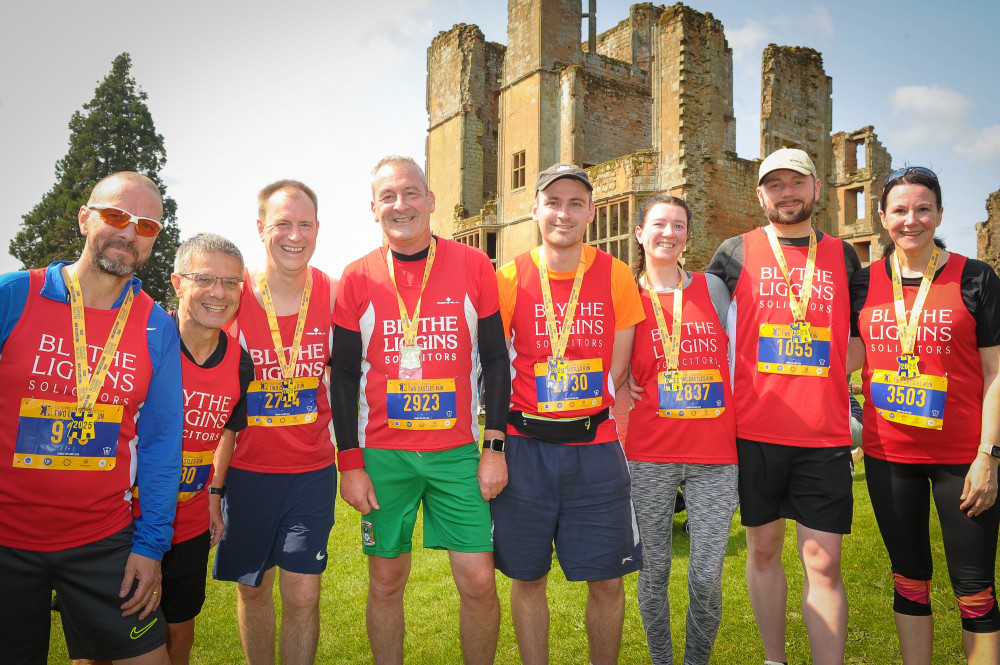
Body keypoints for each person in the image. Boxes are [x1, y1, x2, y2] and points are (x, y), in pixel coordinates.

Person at [331, 155, 509, 664]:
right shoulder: (357, 276)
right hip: (383, 456)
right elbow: (342, 376)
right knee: (386, 579)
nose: (400, 204)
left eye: (411, 193)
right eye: (388, 196)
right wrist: (350, 463)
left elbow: (496, 360)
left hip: (455, 453)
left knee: (478, 579)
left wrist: (493, 446)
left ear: (430, 201)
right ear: (373, 208)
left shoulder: (474, 264)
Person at [0, 172, 182, 664]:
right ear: (85, 219)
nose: (129, 232)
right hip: (6, 540)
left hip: (104, 542)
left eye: (145, 225)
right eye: (117, 216)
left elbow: (164, 443)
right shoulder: (13, 295)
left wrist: (151, 546)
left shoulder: (155, 326)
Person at [706, 148, 861, 665]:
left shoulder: (844, 256)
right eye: (775, 185)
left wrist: (825, 373)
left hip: (824, 434)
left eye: (797, 182)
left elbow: (861, 337)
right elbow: (701, 332)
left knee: (823, 561)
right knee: (764, 550)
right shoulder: (733, 251)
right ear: (760, 195)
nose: (787, 192)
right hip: (754, 432)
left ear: (817, 188)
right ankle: (775, 660)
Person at [75, 235, 254, 665]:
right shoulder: (142, 341)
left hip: (188, 524)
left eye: (230, 282)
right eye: (205, 278)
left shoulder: (240, 361)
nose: (219, 292)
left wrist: (214, 496)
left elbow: (227, 428)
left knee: (178, 634)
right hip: (120, 523)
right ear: (177, 282)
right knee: (100, 641)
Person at [492, 163, 644, 665]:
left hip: (595, 450)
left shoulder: (616, 274)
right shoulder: (509, 277)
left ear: (591, 213)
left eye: (575, 202)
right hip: (526, 449)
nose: (564, 212)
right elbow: (495, 366)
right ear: (534, 210)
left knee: (606, 580)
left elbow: (618, 366)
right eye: (553, 202)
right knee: (527, 576)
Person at [848, 166, 1000, 664]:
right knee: (909, 578)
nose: (910, 220)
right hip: (889, 455)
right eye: (899, 210)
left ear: (938, 213)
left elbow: (996, 373)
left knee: (974, 586)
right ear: (881, 217)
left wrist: (989, 456)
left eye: (922, 209)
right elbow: (843, 359)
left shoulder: (976, 277)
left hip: (963, 457)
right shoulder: (864, 282)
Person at [212, 180, 338, 665]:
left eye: (304, 224)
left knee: (304, 595)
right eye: (282, 223)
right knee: (254, 590)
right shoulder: (231, 295)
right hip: (248, 475)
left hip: (311, 473)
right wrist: (214, 488)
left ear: (317, 230)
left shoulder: (333, 291)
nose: (294, 235)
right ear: (260, 228)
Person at [624, 194, 737, 665]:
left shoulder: (714, 289)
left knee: (707, 576)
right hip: (649, 452)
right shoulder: (624, 296)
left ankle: (696, 661)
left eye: (678, 225)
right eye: (659, 224)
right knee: (652, 574)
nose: (668, 233)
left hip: (715, 454)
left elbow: (740, 356)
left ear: (688, 234)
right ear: (639, 234)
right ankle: (661, 660)